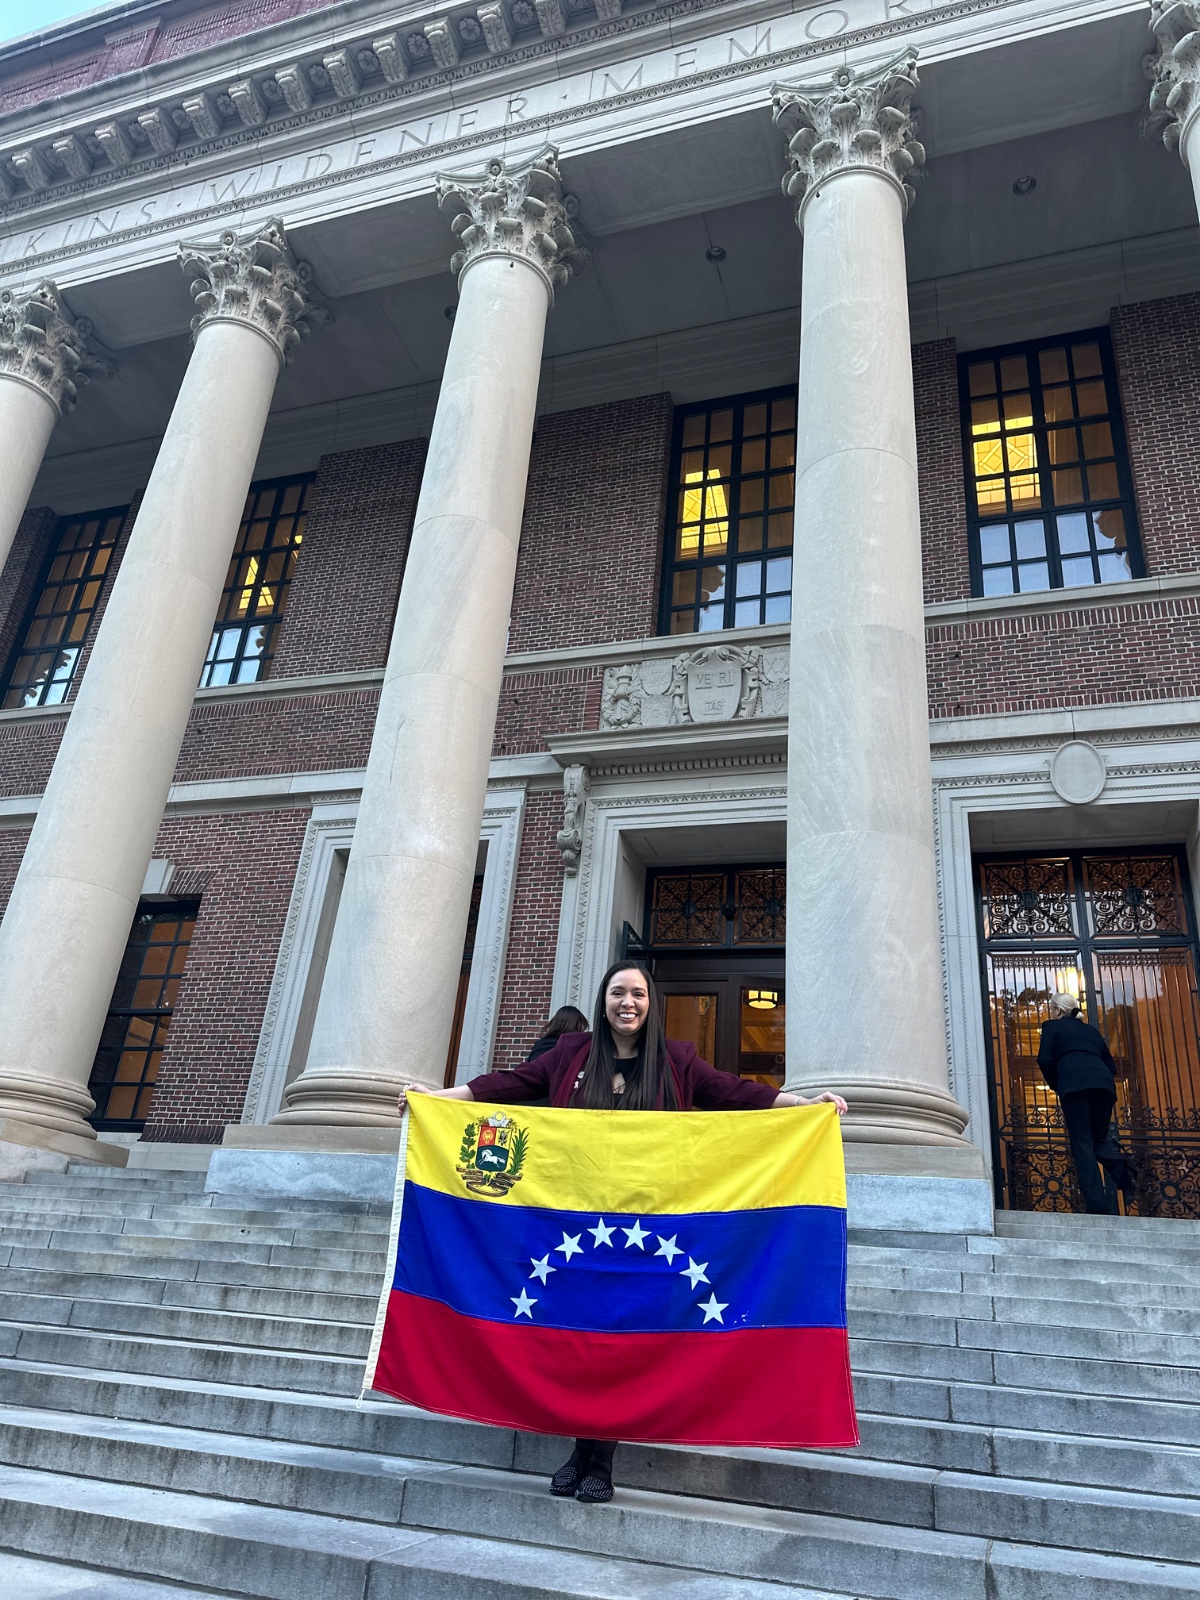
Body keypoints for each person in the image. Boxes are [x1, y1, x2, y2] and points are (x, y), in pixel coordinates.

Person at [399, 960, 847, 1506]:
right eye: (617, 992)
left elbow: (734, 1092)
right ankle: (579, 1450)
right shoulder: (571, 1054)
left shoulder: (677, 1059)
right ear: (604, 1000)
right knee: (581, 1337)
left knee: (622, 1336)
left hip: (647, 1227)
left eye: (637, 993)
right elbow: (507, 1084)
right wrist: (436, 1099)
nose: (627, 1002)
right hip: (574, 1225)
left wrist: (803, 1106)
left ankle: (600, 1460)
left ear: (650, 1002)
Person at [1036, 991, 1119, 1215]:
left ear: (1056, 1010)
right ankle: (1123, 1171)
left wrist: (1057, 1083)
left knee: (1082, 1143)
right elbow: (1111, 1066)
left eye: (1051, 1008)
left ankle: (1098, 1204)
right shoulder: (1091, 1031)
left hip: (1074, 1088)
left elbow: (1044, 1059)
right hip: (1103, 1088)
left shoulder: (1052, 1027)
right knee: (1098, 1140)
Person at [524, 1005, 590, 1061]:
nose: (580, 1032)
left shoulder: (541, 1044)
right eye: (579, 1027)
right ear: (574, 1026)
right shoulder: (564, 1048)